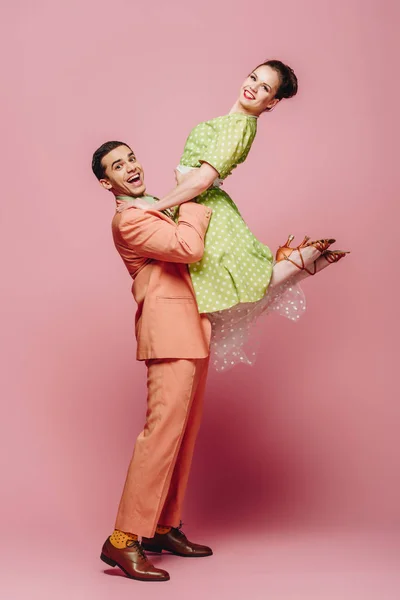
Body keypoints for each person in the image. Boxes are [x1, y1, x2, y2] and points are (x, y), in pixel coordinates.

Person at [125, 60, 348, 370]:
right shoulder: (234, 121)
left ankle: (298, 264)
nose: (253, 87)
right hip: (197, 207)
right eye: (254, 77)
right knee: (219, 290)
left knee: (226, 291)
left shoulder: (241, 125)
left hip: (207, 211)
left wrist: (155, 207)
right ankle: (299, 264)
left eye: (265, 88)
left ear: (272, 103)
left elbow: (202, 179)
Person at [92, 141, 214, 583]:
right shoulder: (130, 219)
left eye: (131, 158)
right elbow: (188, 247)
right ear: (107, 183)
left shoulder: (154, 207)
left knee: (184, 433)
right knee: (160, 434)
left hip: (192, 328)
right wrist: (195, 201)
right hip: (167, 332)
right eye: (117, 166)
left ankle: (163, 526)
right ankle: (123, 540)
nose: (130, 167)